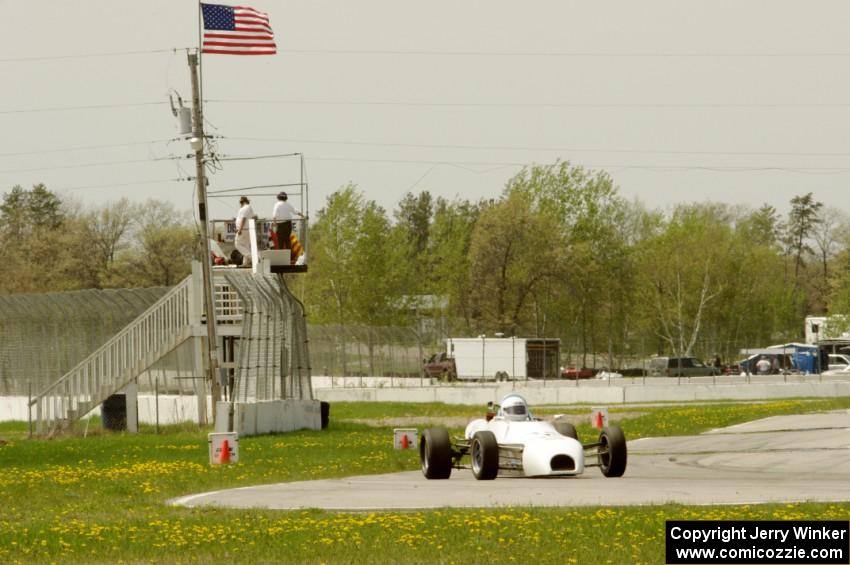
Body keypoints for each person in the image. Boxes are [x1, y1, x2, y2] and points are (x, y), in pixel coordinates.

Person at [234, 196, 255, 265]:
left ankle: (253, 258)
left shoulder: (245, 208)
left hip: (243, 229)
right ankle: (246, 262)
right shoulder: (249, 208)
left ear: (242, 202)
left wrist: (240, 229)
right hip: (248, 229)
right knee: (246, 246)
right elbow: (252, 218)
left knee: (237, 244)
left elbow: (243, 218)